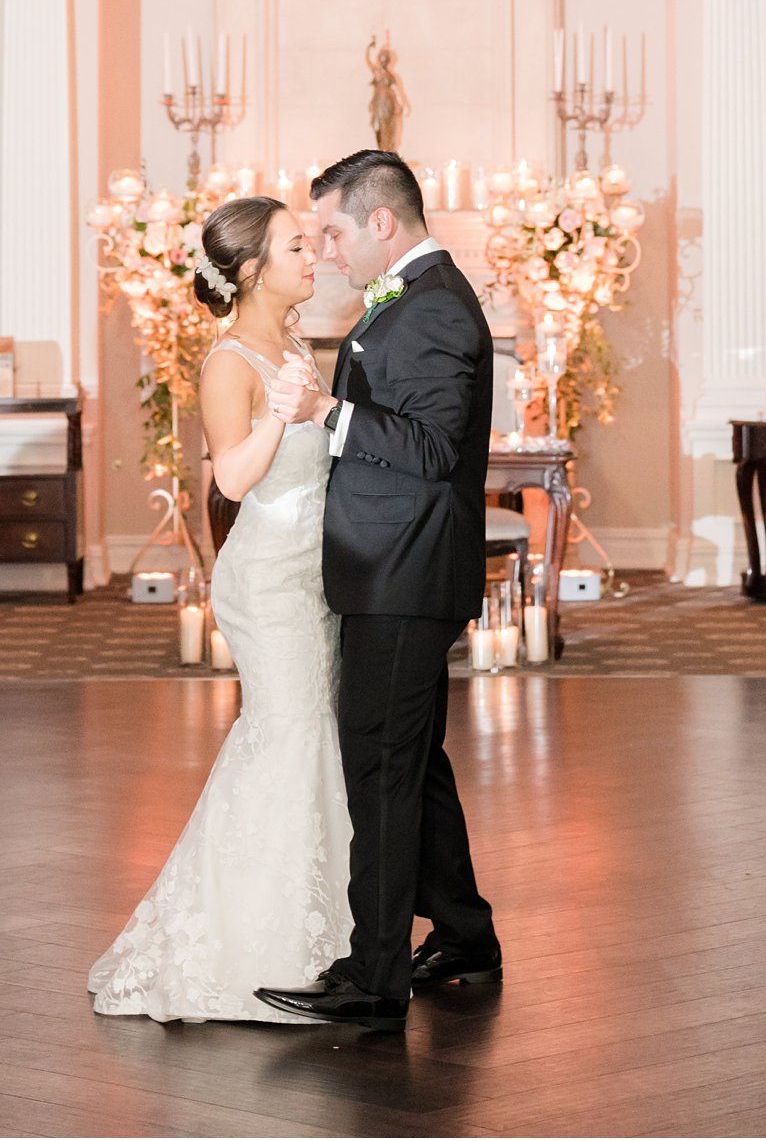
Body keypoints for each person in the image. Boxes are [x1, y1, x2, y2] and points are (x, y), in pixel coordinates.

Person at [88, 197, 353, 1023]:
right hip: (269, 575)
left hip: (315, 570)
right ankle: (252, 953)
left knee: (310, 740)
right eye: (295, 247)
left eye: (310, 243)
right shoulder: (231, 359)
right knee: (290, 735)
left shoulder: (293, 340)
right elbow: (233, 480)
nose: (313, 256)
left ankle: (319, 936)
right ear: (249, 271)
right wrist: (285, 412)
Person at [255, 149, 501, 1034]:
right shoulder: (412, 298)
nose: (324, 248)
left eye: (332, 230)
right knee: (413, 758)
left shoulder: (431, 308)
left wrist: (327, 413)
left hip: (404, 573)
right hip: (394, 567)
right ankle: (466, 933)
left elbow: (432, 451)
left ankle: (375, 973)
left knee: (381, 766)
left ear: (381, 223)